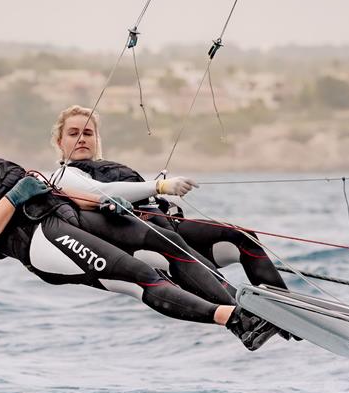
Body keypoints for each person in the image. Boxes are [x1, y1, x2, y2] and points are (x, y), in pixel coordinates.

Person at [0, 97, 277, 350]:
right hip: (40, 242)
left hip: (69, 216)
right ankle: (235, 319)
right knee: (141, 276)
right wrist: (13, 198)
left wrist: (105, 201)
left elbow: (59, 193)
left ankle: (257, 312)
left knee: (168, 245)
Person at [48, 106, 296, 339]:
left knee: (241, 237)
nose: (81, 138)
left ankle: (288, 313)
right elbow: (104, 192)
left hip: (170, 227)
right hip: (144, 238)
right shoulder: (63, 174)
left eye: (87, 133)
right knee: (193, 258)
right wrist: (161, 185)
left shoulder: (107, 166)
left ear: (96, 139)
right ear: (61, 142)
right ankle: (249, 322)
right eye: (73, 133)